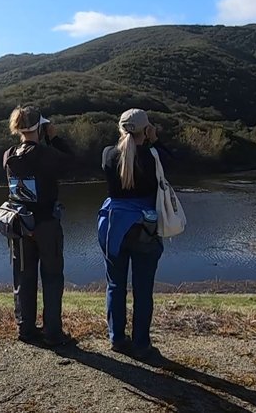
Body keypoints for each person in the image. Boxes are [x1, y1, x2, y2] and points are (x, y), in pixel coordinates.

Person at [3, 105, 75, 347]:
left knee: (23, 277)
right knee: (52, 277)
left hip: (20, 225)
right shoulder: (46, 154)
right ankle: (53, 332)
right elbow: (72, 163)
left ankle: (26, 328)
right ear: (40, 127)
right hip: (46, 225)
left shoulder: (9, 155)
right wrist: (54, 138)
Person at [97, 108, 164, 359]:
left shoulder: (107, 154)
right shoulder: (153, 156)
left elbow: (121, 155)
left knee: (115, 285)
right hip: (144, 227)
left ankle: (116, 338)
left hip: (113, 226)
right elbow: (172, 167)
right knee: (143, 289)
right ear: (146, 130)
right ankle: (141, 344)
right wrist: (156, 140)